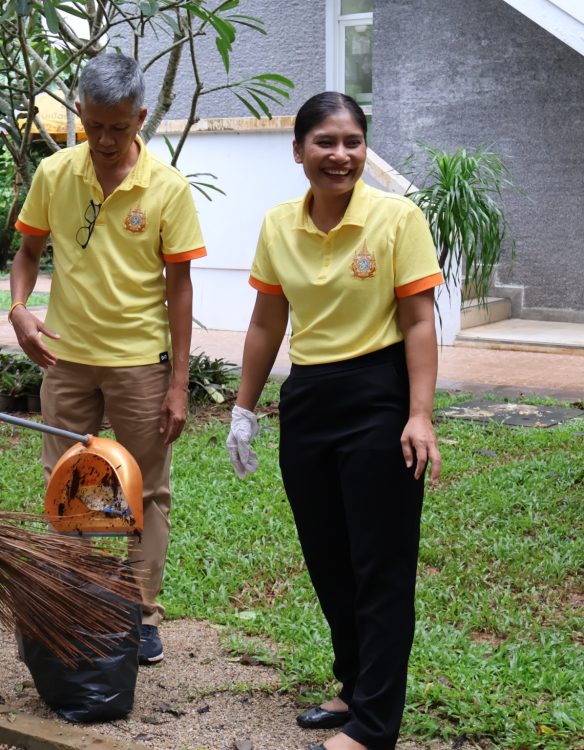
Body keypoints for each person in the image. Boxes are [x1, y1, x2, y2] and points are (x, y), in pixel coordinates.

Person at [226, 92, 443, 750]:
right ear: (299, 151)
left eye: (353, 142)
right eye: (325, 141)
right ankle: (354, 685)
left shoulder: (398, 218)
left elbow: (419, 321)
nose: (340, 155)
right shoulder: (278, 225)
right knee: (328, 557)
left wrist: (421, 414)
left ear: (365, 150)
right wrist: (243, 407)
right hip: (310, 398)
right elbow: (267, 321)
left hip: (379, 394)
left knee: (381, 563)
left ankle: (374, 726)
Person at [8, 53, 207, 665]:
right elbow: (28, 252)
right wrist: (19, 308)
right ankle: (83, 603)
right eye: (93, 125)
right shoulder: (54, 174)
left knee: (145, 490)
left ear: (140, 117)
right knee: (67, 483)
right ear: (80, 114)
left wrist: (178, 382)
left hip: (140, 363)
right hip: (65, 359)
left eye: (118, 127)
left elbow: (179, 288)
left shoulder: (168, 188)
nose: (103, 139)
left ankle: (142, 613)